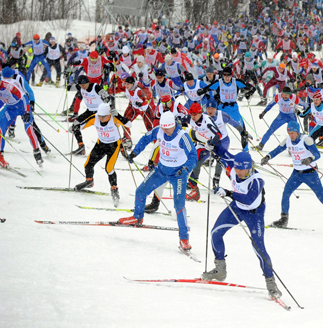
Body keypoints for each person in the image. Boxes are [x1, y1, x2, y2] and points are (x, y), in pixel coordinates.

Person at [202, 151, 283, 299]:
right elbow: (222, 153)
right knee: (215, 233)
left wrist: (227, 192)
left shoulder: (257, 180)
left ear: (248, 167)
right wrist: (213, 148)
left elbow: (249, 199)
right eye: (236, 168)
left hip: (254, 213)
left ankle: (271, 283)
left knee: (258, 247)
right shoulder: (233, 167)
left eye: (241, 169)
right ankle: (220, 270)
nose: (237, 172)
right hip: (237, 208)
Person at [119, 111, 197, 253]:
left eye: (168, 128)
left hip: (178, 174)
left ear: (174, 125)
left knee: (179, 205)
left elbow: (193, 155)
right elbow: (145, 138)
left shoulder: (182, 136)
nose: (165, 131)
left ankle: (184, 238)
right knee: (140, 191)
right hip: (161, 170)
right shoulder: (159, 130)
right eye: (163, 128)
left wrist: (186, 168)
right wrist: (135, 152)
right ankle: (137, 217)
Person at [260, 121, 323, 239]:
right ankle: (283, 219)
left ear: (298, 132)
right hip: (297, 174)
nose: (291, 135)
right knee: (286, 193)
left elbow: (317, 154)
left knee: (322, 198)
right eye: (289, 133)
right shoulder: (288, 141)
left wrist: (310, 159)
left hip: (310, 174)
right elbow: (277, 150)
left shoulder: (306, 140)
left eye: (293, 133)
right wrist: (267, 157)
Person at [74, 103, 124, 205]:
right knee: (88, 164)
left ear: (108, 115)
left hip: (114, 146)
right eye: (100, 116)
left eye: (104, 116)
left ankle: (114, 190)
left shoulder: (114, 119)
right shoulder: (96, 118)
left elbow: (129, 124)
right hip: (100, 145)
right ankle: (89, 181)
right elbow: (82, 124)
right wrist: (75, 127)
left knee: (109, 169)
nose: (101, 118)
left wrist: (118, 116)